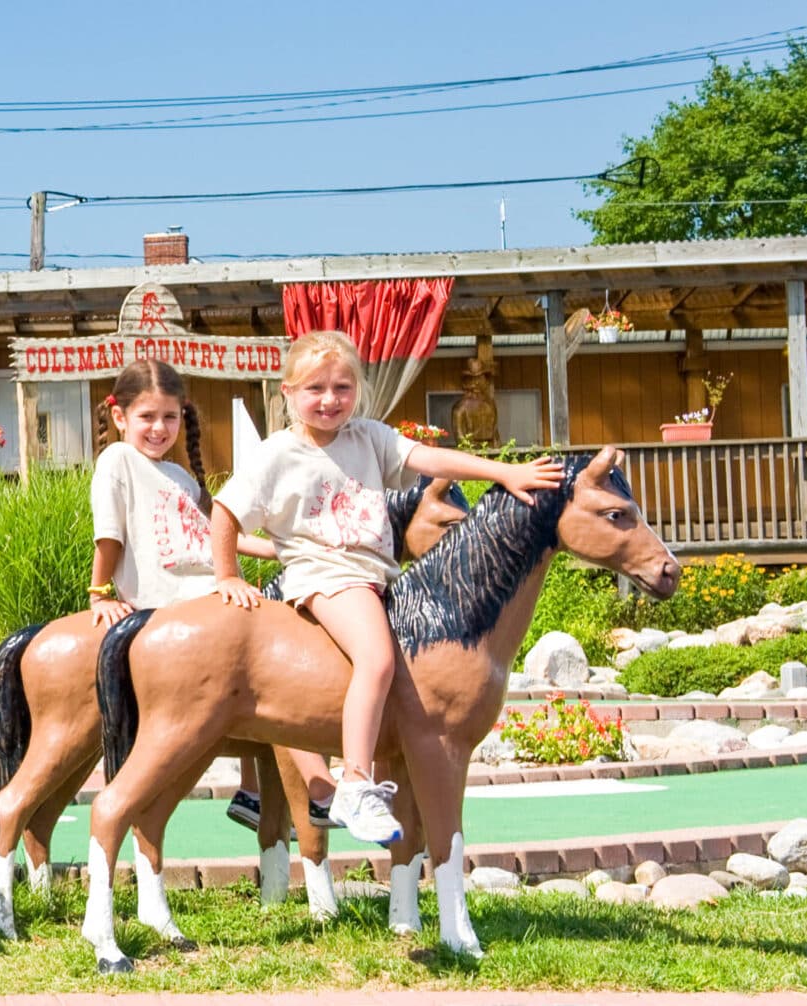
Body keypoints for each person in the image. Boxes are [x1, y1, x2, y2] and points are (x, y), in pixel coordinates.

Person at [210, 330, 561, 845]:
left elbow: (430, 461)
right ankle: (353, 781)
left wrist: (502, 472)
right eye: (315, 389)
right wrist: (227, 576)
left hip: (375, 576)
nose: (330, 400)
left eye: (342, 387)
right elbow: (225, 511)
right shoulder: (277, 454)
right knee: (377, 660)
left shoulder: (368, 437)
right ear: (287, 392)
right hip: (330, 576)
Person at [80, 361, 329, 829]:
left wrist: (286, 548)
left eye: (169, 418)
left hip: (210, 588)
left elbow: (222, 536)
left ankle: (255, 790)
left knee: (275, 638)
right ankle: (319, 784)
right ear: (119, 418)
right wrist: (99, 592)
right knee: (274, 650)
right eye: (147, 417)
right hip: (178, 598)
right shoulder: (117, 461)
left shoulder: (181, 477)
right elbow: (108, 534)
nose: (159, 428)